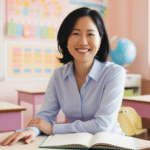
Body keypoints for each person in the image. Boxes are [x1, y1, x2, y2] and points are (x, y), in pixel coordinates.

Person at [0, 7, 126, 146]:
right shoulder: (59, 75)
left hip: (110, 143)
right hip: (74, 143)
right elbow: (46, 115)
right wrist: (33, 130)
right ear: (66, 39)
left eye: (90, 34)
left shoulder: (115, 73)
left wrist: (53, 129)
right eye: (76, 33)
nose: (83, 42)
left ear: (100, 40)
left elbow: (102, 125)